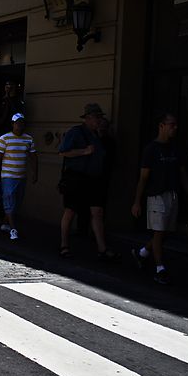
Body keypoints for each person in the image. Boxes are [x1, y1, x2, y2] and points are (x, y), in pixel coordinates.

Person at [131, 113, 188, 285]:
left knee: (165, 232)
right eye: (171, 125)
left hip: (172, 194)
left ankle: (143, 253)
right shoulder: (151, 149)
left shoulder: (176, 149)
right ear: (161, 125)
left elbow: (183, 174)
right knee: (159, 232)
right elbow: (144, 177)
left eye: (176, 125)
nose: (174, 128)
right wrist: (137, 201)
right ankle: (160, 268)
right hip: (156, 195)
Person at [58, 103, 116, 259]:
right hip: (77, 177)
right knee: (70, 210)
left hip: (94, 179)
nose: (99, 120)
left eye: (100, 117)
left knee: (97, 211)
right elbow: (63, 152)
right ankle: (64, 244)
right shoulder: (76, 132)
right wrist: (84, 151)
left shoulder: (97, 135)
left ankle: (102, 248)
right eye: (97, 117)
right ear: (88, 118)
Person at [0, 113, 38, 240]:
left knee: (17, 202)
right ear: (12, 124)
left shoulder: (29, 139)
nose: (20, 125)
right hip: (8, 176)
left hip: (21, 176)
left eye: (22, 123)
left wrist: (35, 172)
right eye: (17, 123)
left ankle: (5, 223)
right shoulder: (4, 139)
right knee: (9, 198)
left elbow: (33, 157)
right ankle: (13, 229)